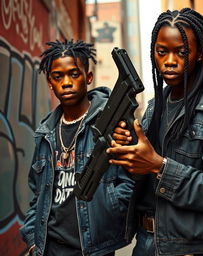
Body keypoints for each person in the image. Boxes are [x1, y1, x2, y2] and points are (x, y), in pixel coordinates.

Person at [107, 8, 203, 256]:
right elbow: (142, 176)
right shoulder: (156, 105)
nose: (170, 60)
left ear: (200, 54)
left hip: (187, 249)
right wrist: (130, 150)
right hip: (146, 242)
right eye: (162, 52)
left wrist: (159, 166)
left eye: (182, 52)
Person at [20, 39, 134, 256]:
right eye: (57, 77)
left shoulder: (110, 123)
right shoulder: (45, 134)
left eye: (74, 74)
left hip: (94, 248)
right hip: (49, 247)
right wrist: (33, 239)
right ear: (50, 83)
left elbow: (129, 179)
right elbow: (39, 193)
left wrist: (110, 210)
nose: (66, 82)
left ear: (88, 77)